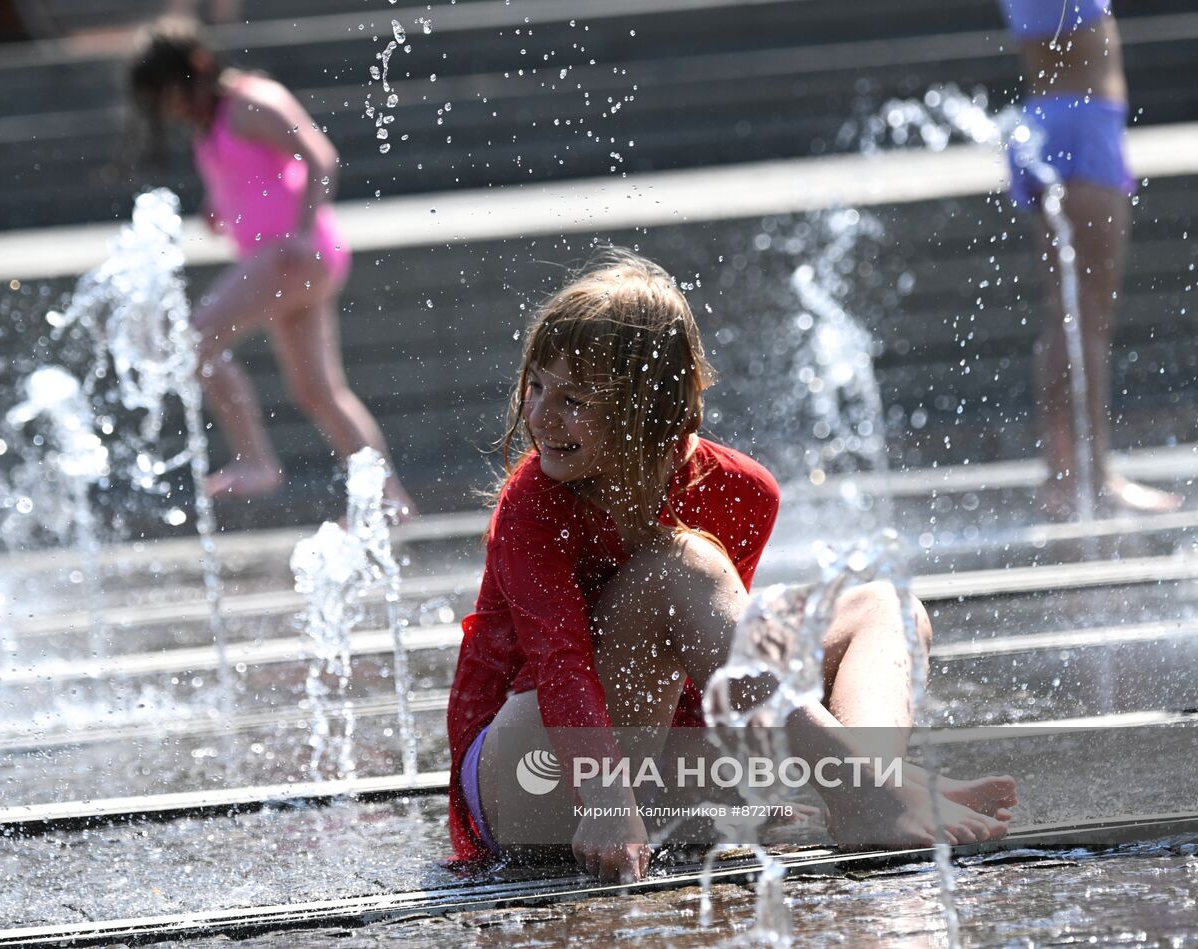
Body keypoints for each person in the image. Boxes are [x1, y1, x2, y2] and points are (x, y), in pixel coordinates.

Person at [446, 250, 1017, 882]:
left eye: (573, 398)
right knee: (677, 565)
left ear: (650, 409)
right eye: (536, 387)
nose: (540, 416)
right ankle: (872, 793)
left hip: (652, 767)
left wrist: (734, 788)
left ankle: (873, 785)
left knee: (883, 606)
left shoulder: (744, 491)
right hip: (529, 781)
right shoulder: (530, 508)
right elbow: (561, 668)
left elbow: (710, 674)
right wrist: (604, 798)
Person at [128, 17, 415, 512]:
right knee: (318, 391)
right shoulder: (211, 122)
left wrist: (303, 231)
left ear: (197, 66)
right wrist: (219, 204)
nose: (170, 107)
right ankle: (390, 502)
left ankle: (255, 459)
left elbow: (319, 157)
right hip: (281, 260)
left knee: (196, 340)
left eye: (170, 92)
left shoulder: (251, 101)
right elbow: (250, 175)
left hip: (292, 256)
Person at [999, 0, 1182, 519]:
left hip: (1053, 119)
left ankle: (1064, 473)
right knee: (1088, 316)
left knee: (1069, 312)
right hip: (1084, 125)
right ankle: (1087, 477)